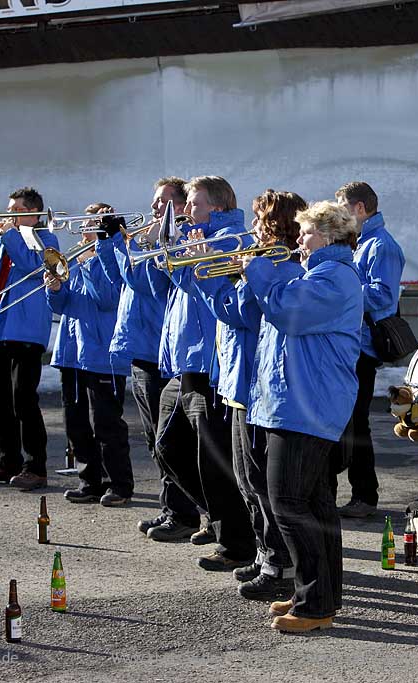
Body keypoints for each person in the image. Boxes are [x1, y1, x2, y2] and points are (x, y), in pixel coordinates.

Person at [241, 200, 363, 633]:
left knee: (289, 504)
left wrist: (259, 270)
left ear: (329, 236)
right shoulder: (316, 274)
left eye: (307, 233)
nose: (300, 241)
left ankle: (314, 606)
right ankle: (316, 595)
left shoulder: (335, 276)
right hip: (294, 401)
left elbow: (288, 313)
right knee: (313, 504)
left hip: (307, 406)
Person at [188, 190, 307, 600]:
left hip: (256, 383)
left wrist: (211, 277)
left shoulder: (279, 268)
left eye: (261, 220)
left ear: (277, 224)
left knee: (259, 480)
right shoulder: (262, 264)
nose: (254, 227)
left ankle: (279, 564)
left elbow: (239, 313)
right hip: (239, 381)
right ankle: (264, 553)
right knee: (245, 478)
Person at [151, 175, 256, 571]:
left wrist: (198, 259)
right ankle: (219, 519)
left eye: (194, 205)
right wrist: (175, 254)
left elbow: (219, 300)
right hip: (184, 361)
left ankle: (238, 541)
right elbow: (176, 285)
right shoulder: (195, 236)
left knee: (213, 460)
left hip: (210, 363)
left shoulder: (233, 239)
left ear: (219, 206)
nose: (186, 211)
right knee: (167, 448)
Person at [96, 177, 205, 540]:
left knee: (171, 441)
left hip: (157, 349)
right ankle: (171, 507)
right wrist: (108, 243)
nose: (155, 207)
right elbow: (119, 279)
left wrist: (122, 242)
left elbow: (146, 281)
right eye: (155, 201)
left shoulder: (171, 239)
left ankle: (184, 512)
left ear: (179, 204)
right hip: (140, 346)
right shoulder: (151, 236)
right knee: (154, 439)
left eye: (162, 202)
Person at [0, 187, 59, 491]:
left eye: (15, 211)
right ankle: (7, 461)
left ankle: (36, 466)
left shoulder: (46, 240)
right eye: (8, 210)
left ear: (33, 214)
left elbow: (34, 267)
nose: (8, 216)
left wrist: (9, 238)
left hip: (26, 331)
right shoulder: (2, 243)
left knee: (24, 400)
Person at [44, 205, 132, 505]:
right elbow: (63, 305)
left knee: (107, 423)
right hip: (71, 352)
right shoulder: (79, 260)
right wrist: (54, 289)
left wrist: (89, 262)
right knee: (75, 421)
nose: (83, 230)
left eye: (91, 224)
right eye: (83, 224)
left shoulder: (109, 261)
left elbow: (108, 299)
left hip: (102, 353)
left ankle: (117, 484)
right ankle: (89, 480)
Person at [333, 181, 405, 518]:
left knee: (357, 423)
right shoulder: (363, 243)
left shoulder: (381, 246)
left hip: (362, 346)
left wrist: (340, 292)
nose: (339, 214)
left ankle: (365, 496)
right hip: (352, 342)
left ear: (360, 208)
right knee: (348, 421)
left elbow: (383, 297)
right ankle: (359, 494)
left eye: (343, 207)